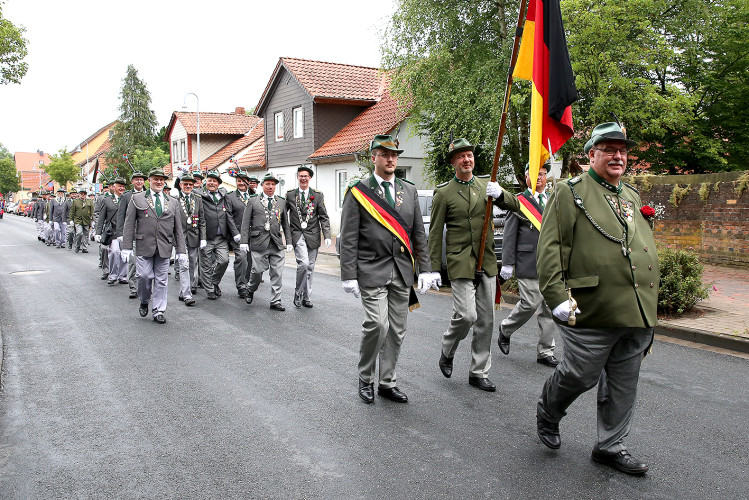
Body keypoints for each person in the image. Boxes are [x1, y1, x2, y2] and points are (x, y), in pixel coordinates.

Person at [533, 122, 658, 475]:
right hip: (587, 305)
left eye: (622, 150)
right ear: (592, 154)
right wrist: (556, 295)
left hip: (635, 310)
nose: (618, 155)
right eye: (609, 149)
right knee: (580, 374)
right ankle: (549, 410)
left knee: (624, 380)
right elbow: (552, 246)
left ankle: (610, 445)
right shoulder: (570, 191)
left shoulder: (630, 195)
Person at [339, 134, 439, 404]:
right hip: (371, 268)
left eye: (394, 154)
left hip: (402, 270)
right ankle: (365, 377)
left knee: (397, 329)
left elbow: (418, 234)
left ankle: (387, 381)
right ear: (373, 158)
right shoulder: (358, 191)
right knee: (377, 324)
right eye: (385, 154)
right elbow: (348, 237)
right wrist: (348, 275)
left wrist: (426, 270)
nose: (391, 159)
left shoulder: (409, 191)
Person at [429, 138, 499, 392]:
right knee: (468, 315)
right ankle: (448, 348)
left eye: (469, 155)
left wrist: (501, 194)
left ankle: (478, 371)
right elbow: (435, 233)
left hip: (487, 260)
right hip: (460, 261)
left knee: (487, 320)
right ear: (453, 163)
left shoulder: (486, 186)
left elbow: (516, 205)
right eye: (461, 157)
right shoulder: (444, 193)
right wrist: (433, 267)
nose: (466, 160)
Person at [497, 163, 559, 367]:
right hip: (528, 260)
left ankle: (546, 351)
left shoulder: (553, 200)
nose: (539, 178)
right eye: (535, 174)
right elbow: (509, 233)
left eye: (542, 174)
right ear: (526, 177)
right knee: (529, 304)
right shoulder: (520, 202)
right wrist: (507, 263)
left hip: (551, 263)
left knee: (550, 308)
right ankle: (506, 328)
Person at [121, 168, 187, 324]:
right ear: (149, 180)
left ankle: (158, 310)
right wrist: (126, 246)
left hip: (164, 246)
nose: (159, 182)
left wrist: (181, 250)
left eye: (161, 179)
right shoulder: (137, 199)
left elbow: (178, 228)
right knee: (143, 276)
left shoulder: (172, 201)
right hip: (144, 245)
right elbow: (129, 224)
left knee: (162, 280)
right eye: (155, 179)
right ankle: (144, 300)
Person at [239, 173, 292, 311]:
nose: (270, 187)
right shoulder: (253, 200)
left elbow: (286, 224)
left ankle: (275, 301)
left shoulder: (281, 201)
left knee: (277, 273)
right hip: (259, 242)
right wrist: (244, 241)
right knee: (256, 271)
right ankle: (250, 289)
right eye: (268, 184)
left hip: (276, 242)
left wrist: (289, 241)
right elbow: (245, 223)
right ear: (262, 185)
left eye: (273, 184)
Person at [286, 165, 332, 308]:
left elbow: (323, 216)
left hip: (313, 235)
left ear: (310, 178)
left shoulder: (317, 195)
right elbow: (282, 215)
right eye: (301, 176)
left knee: (310, 267)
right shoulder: (290, 195)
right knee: (304, 264)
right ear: (297, 177)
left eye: (306, 176)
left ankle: (307, 297)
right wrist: (287, 237)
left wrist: (327, 235)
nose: (303, 178)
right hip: (297, 234)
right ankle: (298, 292)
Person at [199, 172, 238, 300]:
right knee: (206, 265)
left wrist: (235, 233)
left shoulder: (223, 196)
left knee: (224, 261)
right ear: (206, 182)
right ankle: (209, 289)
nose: (212, 183)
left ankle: (214, 282)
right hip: (207, 237)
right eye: (209, 180)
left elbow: (229, 215)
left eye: (215, 181)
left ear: (218, 184)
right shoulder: (200, 196)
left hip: (221, 237)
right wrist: (201, 237)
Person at [116, 171, 147, 299]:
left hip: (147, 234)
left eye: (141, 179)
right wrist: (121, 233)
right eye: (137, 180)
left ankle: (146, 288)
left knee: (146, 264)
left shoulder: (150, 194)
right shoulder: (127, 196)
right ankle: (134, 288)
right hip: (133, 234)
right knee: (134, 263)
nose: (139, 182)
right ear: (132, 181)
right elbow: (121, 216)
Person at [175, 174, 205, 306]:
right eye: (185, 184)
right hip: (180, 236)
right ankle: (187, 294)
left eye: (190, 185)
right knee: (184, 264)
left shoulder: (197, 199)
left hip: (194, 236)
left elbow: (202, 220)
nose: (188, 186)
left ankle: (185, 290)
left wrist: (203, 238)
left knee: (192, 263)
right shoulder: (174, 199)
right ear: (181, 185)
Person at [224, 172, 255, 299]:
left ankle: (247, 283)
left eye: (243, 181)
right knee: (241, 258)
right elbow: (229, 216)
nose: (241, 183)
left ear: (248, 182)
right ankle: (241, 286)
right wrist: (235, 233)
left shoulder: (254, 196)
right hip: (238, 234)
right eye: (238, 181)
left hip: (253, 234)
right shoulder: (230, 197)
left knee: (250, 260)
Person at [95, 178, 128, 285]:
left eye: (123, 186)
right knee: (115, 252)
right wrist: (98, 232)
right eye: (119, 186)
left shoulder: (128, 199)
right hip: (112, 232)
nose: (121, 188)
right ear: (114, 187)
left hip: (125, 231)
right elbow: (101, 217)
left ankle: (122, 276)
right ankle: (113, 274)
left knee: (124, 254)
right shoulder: (107, 200)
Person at [70, 188, 94, 253]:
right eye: (81, 194)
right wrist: (71, 220)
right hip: (78, 220)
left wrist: (93, 220)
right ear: (79, 194)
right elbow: (72, 211)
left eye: (84, 194)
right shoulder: (75, 201)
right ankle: (77, 245)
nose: (83, 195)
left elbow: (92, 211)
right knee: (79, 233)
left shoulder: (89, 201)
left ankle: (84, 247)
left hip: (86, 220)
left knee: (86, 234)